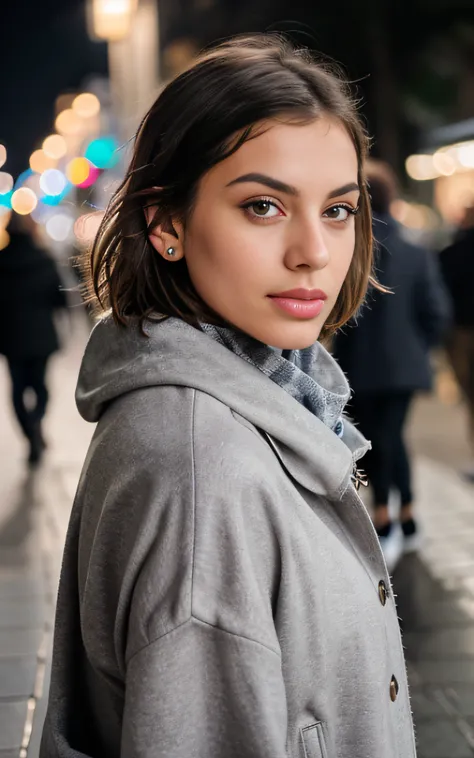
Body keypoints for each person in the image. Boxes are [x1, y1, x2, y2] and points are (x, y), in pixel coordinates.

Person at [41, 36, 417, 758]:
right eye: (264, 206)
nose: (313, 250)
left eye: (338, 210)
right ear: (167, 224)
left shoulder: (276, 393)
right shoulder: (201, 472)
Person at [333, 160, 451, 560]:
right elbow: (437, 311)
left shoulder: (348, 249)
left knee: (376, 442)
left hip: (359, 367)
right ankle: (409, 516)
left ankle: (385, 520)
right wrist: (417, 347)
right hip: (405, 368)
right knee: (393, 437)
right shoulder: (416, 253)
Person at [0, 215, 67, 464]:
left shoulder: (1, 261)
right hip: (41, 334)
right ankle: (37, 420)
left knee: (17, 388)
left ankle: (30, 434)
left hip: (10, 336)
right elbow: (59, 298)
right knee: (40, 385)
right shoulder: (44, 259)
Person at [439, 205, 474, 482]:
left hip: (462, 333)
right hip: (460, 332)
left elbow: (441, 298)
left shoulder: (452, 253)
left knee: (471, 395)